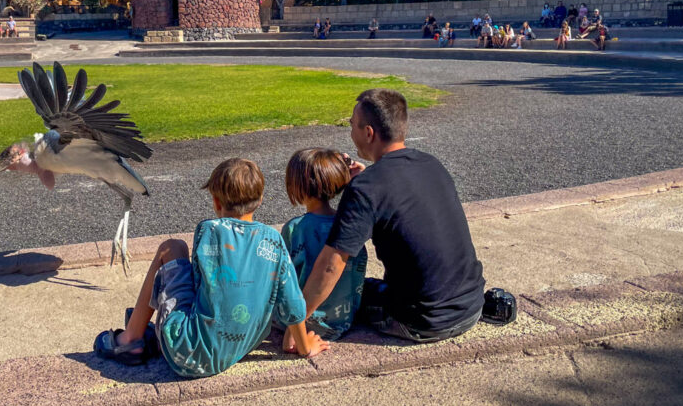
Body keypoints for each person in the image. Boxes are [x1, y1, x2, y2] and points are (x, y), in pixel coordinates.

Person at [94, 158, 328, 374]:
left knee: (172, 248)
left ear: (216, 202)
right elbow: (293, 303)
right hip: (236, 349)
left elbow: (199, 285)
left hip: (185, 353)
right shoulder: (273, 240)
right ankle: (147, 331)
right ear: (260, 199)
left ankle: (131, 339)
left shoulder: (209, 231)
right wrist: (305, 347)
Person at [299, 89, 485, 343]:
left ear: (368, 133)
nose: (351, 132)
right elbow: (395, 191)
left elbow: (332, 265)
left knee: (346, 293)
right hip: (471, 305)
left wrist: (296, 326)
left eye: (352, 125)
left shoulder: (366, 188)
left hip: (422, 320)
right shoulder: (430, 164)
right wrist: (367, 178)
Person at [279, 149, 367, 346]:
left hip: (302, 325)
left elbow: (281, 280)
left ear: (296, 185)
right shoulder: (349, 225)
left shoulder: (296, 228)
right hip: (343, 321)